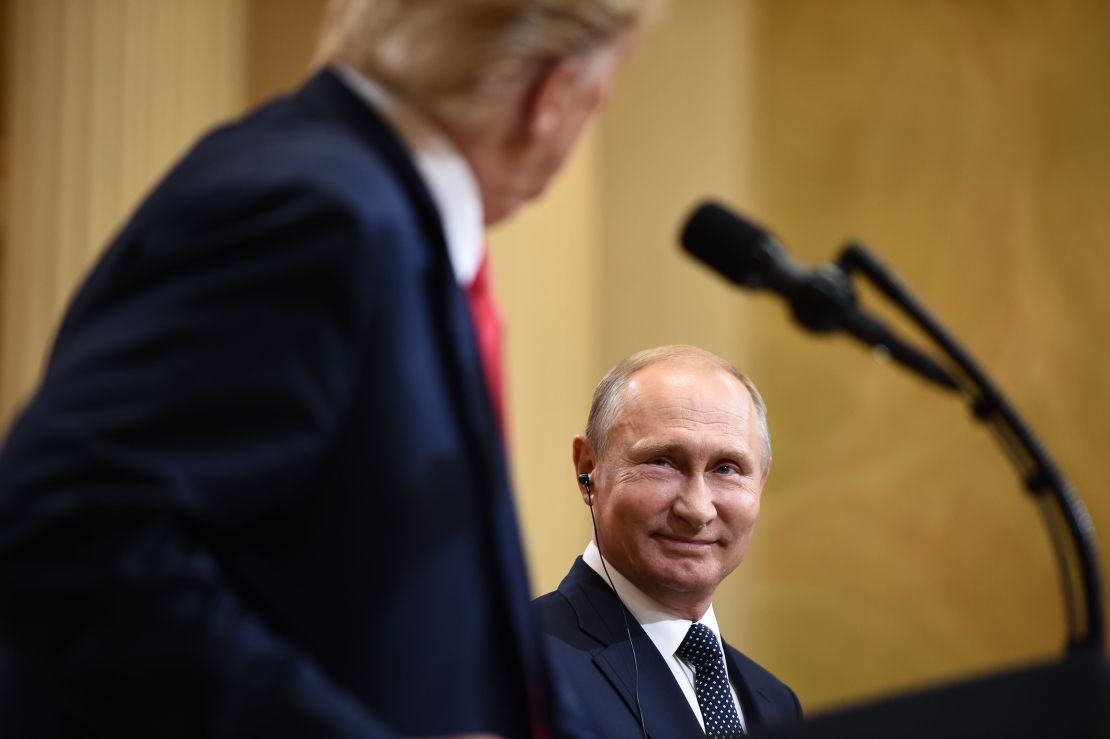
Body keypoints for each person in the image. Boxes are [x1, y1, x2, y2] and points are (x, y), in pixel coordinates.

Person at [0, 1, 655, 736]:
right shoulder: (315, 209)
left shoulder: (381, 215)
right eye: (604, 95)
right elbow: (70, 530)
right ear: (552, 97)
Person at [533, 345, 802, 737]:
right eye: (662, 463)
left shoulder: (775, 702)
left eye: (726, 469)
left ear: (760, 483)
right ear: (587, 470)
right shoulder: (515, 664)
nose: (697, 509)